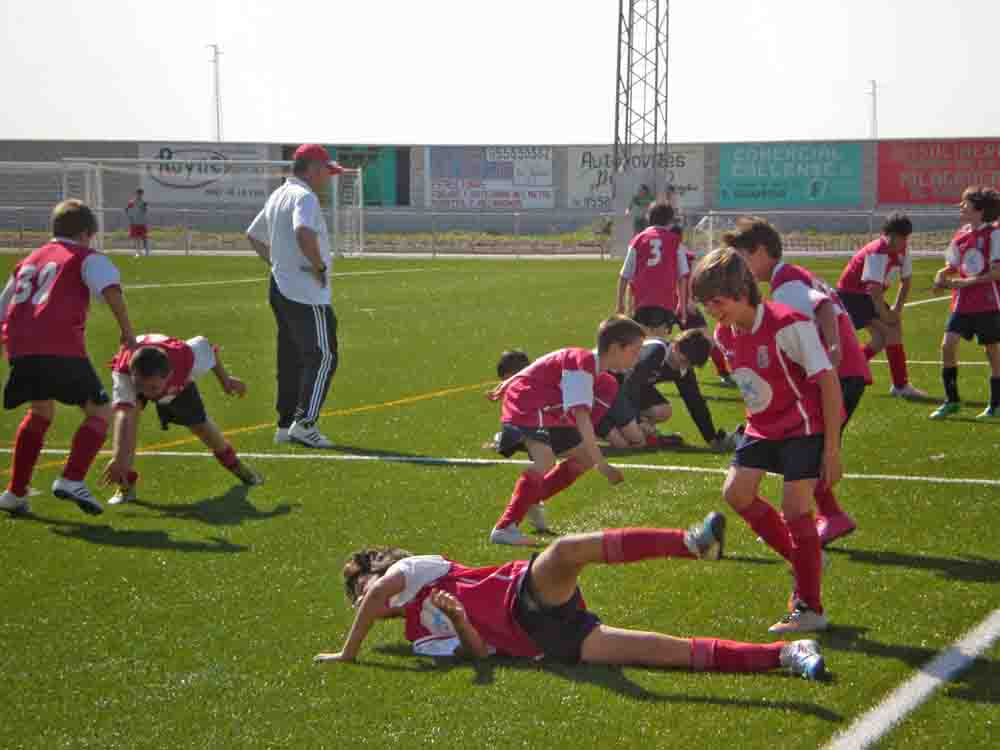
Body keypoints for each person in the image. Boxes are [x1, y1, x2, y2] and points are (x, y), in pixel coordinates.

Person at [313, 519, 827, 681]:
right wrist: (459, 619)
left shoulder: (412, 572)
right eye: (354, 595)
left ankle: (689, 543)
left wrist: (347, 653)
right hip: (545, 642)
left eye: (361, 584)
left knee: (563, 551)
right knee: (661, 653)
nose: (362, 597)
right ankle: (786, 654)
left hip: (523, 592)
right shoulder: (416, 635)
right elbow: (480, 654)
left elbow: (378, 594)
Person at [691, 248, 843, 634]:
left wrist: (832, 450)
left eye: (717, 302)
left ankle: (810, 608)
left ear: (742, 292)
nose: (711, 311)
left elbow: (828, 381)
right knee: (736, 493)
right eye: (706, 304)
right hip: (761, 426)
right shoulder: (725, 333)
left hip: (802, 428)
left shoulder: (788, 324)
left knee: (795, 510)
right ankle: (805, 559)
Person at [724, 217, 869, 546]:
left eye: (741, 258)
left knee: (809, 443)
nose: (740, 268)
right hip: (840, 370)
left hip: (837, 374)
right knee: (806, 446)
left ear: (761, 251)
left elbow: (823, 308)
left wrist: (833, 349)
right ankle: (825, 515)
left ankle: (824, 518)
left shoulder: (786, 283)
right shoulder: (791, 276)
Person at [0, 199, 136, 515]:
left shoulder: (28, 261)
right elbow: (111, 290)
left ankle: (15, 493)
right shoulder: (85, 257)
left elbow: (3, 309)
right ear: (86, 233)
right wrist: (128, 333)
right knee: (100, 411)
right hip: (59, 345)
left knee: (40, 411)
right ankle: (72, 478)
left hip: (21, 348)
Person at [486, 317, 644, 546]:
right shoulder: (583, 363)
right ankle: (504, 528)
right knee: (545, 461)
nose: (637, 357)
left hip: (549, 411)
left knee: (585, 458)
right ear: (615, 348)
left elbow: (549, 360)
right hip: (528, 403)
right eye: (635, 351)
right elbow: (581, 418)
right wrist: (603, 465)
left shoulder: (604, 379)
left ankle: (531, 498)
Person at [247, 144, 345, 449]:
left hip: (280, 287)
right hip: (305, 292)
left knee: (290, 357)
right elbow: (303, 232)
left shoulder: (279, 194)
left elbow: (253, 234)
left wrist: (279, 264)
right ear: (313, 169)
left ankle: (285, 424)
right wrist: (318, 266)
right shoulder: (305, 197)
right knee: (324, 356)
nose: (328, 179)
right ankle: (304, 424)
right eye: (326, 171)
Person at [102, 333, 263, 504]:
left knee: (201, 427)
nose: (146, 393)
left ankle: (237, 466)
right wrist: (118, 457)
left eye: (152, 388)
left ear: (169, 374)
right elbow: (124, 417)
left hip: (175, 383)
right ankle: (125, 486)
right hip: (138, 372)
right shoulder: (125, 373)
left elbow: (207, 348)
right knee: (129, 425)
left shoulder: (185, 357)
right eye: (141, 386)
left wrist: (226, 380)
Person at [598, 330, 738, 452]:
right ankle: (605, 424)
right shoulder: (655, 352)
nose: (684, 366)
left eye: (690, 364)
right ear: (676, 347)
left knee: (663, 411)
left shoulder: (684, 367)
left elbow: (695, 402)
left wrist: (711, 438)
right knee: (627, 444)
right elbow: (629, 385)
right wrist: (638, 421)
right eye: (684, 361)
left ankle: (635, 432)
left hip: (624, 390)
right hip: (602, 386)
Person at [836, 213, 926, 400]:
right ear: (888, 235)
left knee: (880, 339)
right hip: (852, 295)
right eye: (897, 237)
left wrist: (897, 310)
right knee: (890, 331)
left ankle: (843, 372)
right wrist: (885, 315)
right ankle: (900, 386)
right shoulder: (878, 252)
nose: (901, 242)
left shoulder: (903, 250)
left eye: (904, 237)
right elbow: (874, 290)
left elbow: (906, 281)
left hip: (867, 296)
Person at [929, 186, 1000, 420]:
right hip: (962, 303)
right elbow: (952, 265)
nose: (960, 207)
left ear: (980, 210)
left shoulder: (994, 235)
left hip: (988, 302)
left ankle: (996, 404)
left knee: (991, 350)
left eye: (965, 204)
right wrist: (941, 275)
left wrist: (967, 282)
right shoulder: (961, 234)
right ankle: (952, 400)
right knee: (947, 345)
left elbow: (997, 273)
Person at [615, 202, 690, 337]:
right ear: (670, 220)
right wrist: (682, 306)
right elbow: (682, 277)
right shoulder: (675, 241)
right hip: (665, 302)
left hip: (641, 302)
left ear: (648, 217)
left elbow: (624, 275)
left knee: (642, 342)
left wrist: (620, 304)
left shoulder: (638, 239)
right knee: (659, 342)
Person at [126, 188, 150, 257]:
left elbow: (145, 211)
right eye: (138, 194)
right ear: (136, 194)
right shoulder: (131, 202)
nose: (139, 195)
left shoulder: (144, 202)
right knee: (136, 238)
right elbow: (127, 210)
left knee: (144, 238)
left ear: (142, 194)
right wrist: (130, 218)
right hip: (134, 223)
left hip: (142, 223)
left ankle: (147, 252)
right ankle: (138, 252)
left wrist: (144, 208)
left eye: (141, 194)